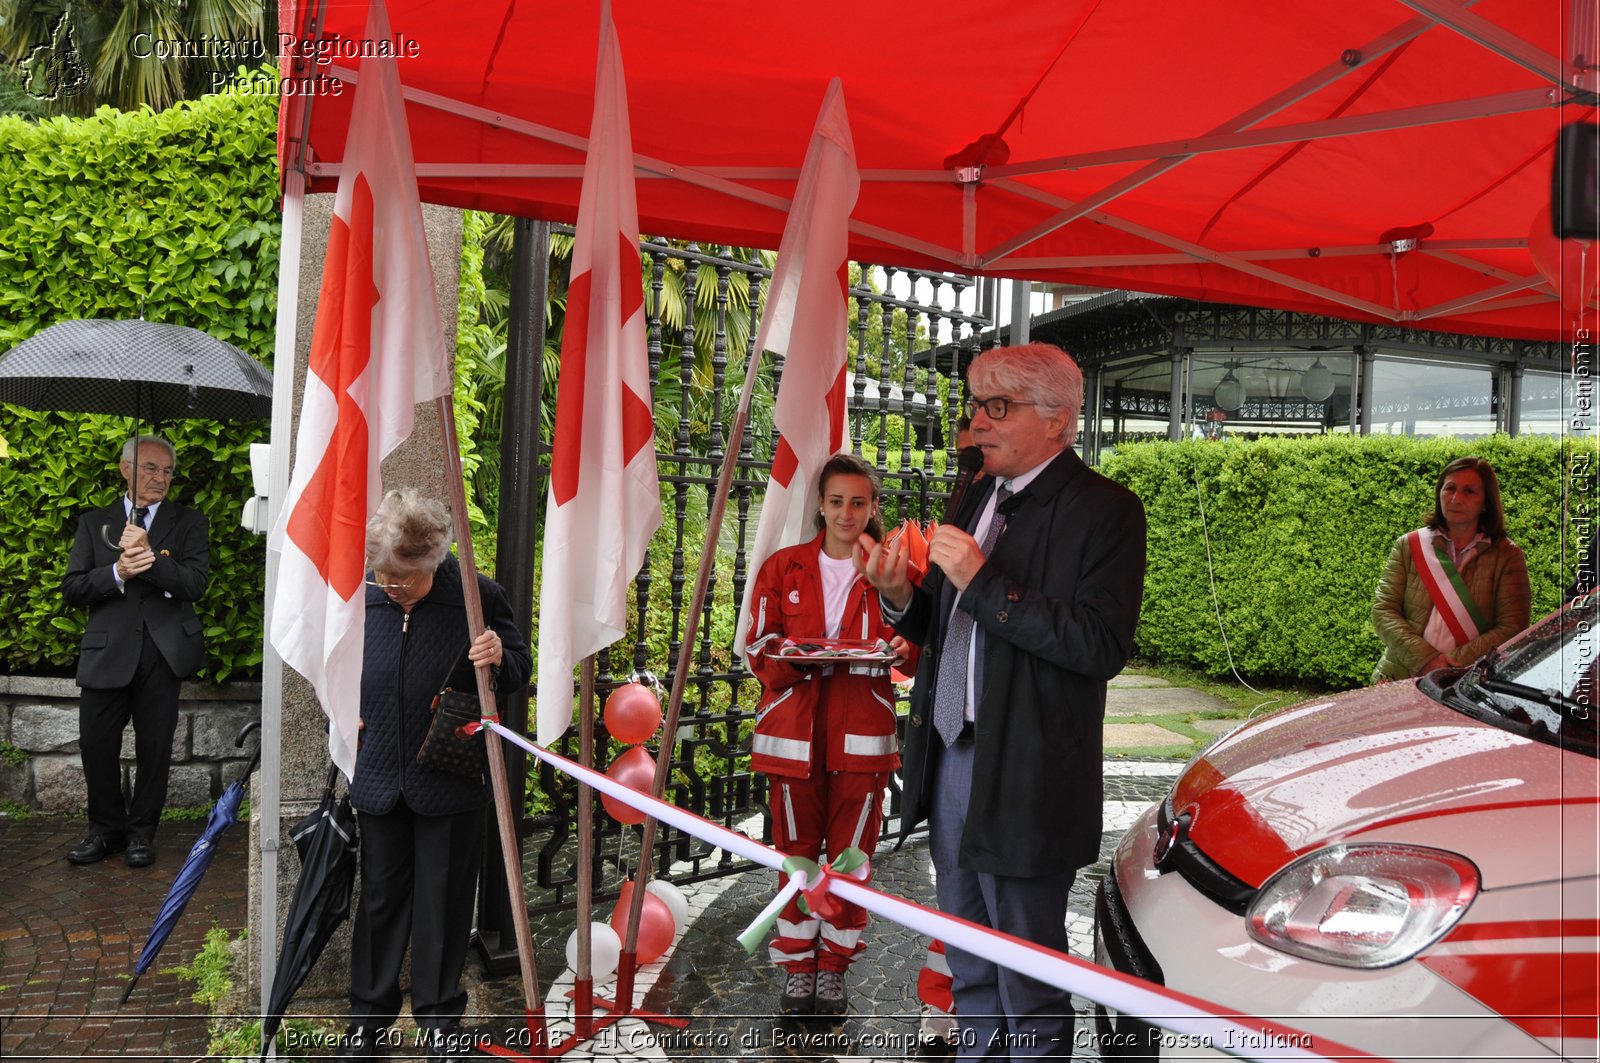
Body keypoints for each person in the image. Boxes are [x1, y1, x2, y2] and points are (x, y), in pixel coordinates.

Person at [857, 343, 1146, 1058]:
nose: (976, 425)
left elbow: (1098, 644)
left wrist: (985, 581)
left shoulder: (1107, 510)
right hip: (953, 755)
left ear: (1057, 421)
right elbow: (944, 625)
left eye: (997, 407)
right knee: (968, 954)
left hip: (1028, 770)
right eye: (976, 406)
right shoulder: (978, 493)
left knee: (1028, 968)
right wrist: (899, 598)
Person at [336, 489, 531, 1062]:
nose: (390, 587)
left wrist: (498, 654)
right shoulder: (362, 594)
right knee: (378, 901)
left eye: (403, 579)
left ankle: (440, 1023)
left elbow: (519, 670)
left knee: (445, 904)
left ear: (433, 563)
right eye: (382, 576)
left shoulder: (477, 596)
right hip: (376, 773)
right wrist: (342, 706)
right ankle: (367, 1023)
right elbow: (332, 665)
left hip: (446, 776)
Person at [744, 453, 913, 1018]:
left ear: (873, 507)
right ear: (820, 504)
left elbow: (913, 650)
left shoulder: (892, 572)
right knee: (795, 857)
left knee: (849, 861)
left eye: (858, 503)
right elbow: (756, 648)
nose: (846, 513)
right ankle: (797, 967)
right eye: (837, 501)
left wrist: (900, 650)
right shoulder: (783, 567)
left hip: (864, 742)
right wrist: (793, 657)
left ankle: (834, 967)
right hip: (792, 741)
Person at [61, 435, 209, 868]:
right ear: (126, 470)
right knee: (96, 745)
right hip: (108, 652)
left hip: (162, 654)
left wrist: (150, 558)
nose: (160, 479)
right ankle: (105, 832)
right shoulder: (95, 523)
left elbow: (195, 584)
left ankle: (142, 833)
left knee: (155, 748)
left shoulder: (189, 522)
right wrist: (117, 571)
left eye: (167, 471)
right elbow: (73, 589)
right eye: (150, 469)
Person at [1372, 456, 1531, 682]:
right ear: (1439, 493)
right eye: (1450, 488)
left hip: (1465, 682)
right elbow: (1383, 611)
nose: (1456, 498)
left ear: (1486, 502)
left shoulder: (1507, 556)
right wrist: (1426, 659)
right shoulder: (1409, 545)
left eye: (1469, 491)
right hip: (1399, 675)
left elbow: (1512, 627)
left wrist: (1449, 664)